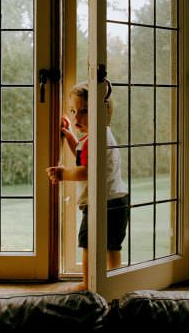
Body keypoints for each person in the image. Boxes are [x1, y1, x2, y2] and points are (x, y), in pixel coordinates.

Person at [46, 81, 129, 290]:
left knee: (88, 243)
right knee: (112, 246)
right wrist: (69, 136)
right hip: (118, 199)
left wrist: (62, 173)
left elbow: (87, 171)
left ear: (102, 112)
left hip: (102, 203)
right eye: (73, 111)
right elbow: (83, 158)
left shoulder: (96, 140)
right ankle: (113, 279)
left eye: (84, 111)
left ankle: (88, 283)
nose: (76, 118)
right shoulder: (98, 136)